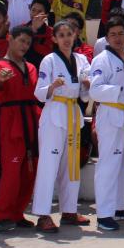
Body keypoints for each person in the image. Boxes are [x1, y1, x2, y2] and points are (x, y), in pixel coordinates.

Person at [31, 20, 91, 233]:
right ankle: (43, 214)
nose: (66, 38)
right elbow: (39, 92)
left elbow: (85, 95)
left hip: (73, 114)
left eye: (69, 34)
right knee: (49, 165)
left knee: (71, 164)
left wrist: (86, 87)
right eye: (62, 35)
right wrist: (52, 86)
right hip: (54, 114)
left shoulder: (82, 59)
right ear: (54, 39)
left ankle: (69, 210)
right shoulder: (49, 60)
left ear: (75, 36)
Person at [0, 26, 39, 232]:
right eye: (21, 40)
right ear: (10, 39)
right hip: (11, 121)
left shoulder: (31, 67)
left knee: (29, 171)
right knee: (11, 171)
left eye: (27, 42)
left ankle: (17, 212)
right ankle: (0, 215)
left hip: (31, 120)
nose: (24, 45)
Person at [89, 19, 124, 232]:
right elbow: (95, 90)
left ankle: (118, 206)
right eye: (113, 34)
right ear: (106, 38)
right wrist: (119, 90)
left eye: (121, 33)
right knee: (109, 164)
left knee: (122, 164)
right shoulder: (102, 59)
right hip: (111, 112)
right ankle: (103, 213)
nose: (118, 38)